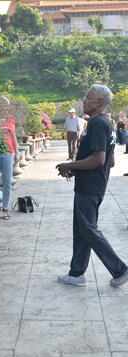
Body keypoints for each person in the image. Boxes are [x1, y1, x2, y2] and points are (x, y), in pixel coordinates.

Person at [56, 84, 128, 287]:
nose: (84, 101)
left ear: (99, 102)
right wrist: (76, 168)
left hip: (90, 186)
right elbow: (110, 162)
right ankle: (76, 273)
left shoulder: (97, 124)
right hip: (93, 184)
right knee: (81, 229)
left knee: (88, 229)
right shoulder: (106, 124)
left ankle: (120, 269)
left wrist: (70, 164)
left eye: (88, 97)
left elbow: (98, 159)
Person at [0, 97, 19, 220]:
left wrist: (16, 152)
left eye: (8, 105)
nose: (8, 107)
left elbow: (13, 136)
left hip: (8, 152)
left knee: (7, 182)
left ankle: (5, 209)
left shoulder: (10, 118)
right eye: (6, 105)